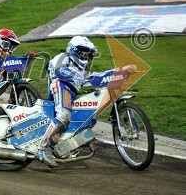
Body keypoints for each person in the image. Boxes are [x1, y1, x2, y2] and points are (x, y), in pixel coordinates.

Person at [36, 35, 137, 168]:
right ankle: (43, 148)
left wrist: (122, 71)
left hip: (73, 90)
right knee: (64, 115)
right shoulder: (62, 58)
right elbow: (59, 72)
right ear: (73, 50)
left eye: (87, 53)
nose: (85, 56)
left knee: (88, 115)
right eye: (82, 52)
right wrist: (85, 77)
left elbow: (98, 77)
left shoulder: (82, 69)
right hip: (60, 86)